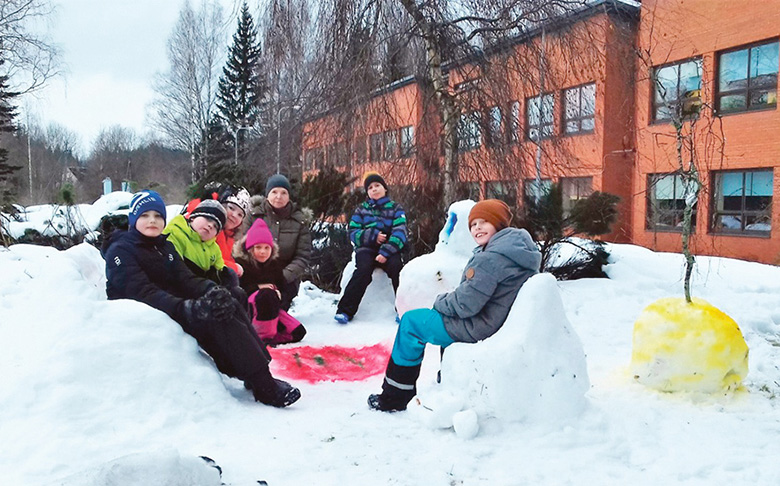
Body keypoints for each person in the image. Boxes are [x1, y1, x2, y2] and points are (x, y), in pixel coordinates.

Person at [103, 190, 300, 408]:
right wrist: (188, 308)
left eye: (158, 216)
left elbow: (185, 278)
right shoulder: (121, 250)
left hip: (170, 304)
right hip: (144, 313)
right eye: (145, 215)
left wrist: (213, 290)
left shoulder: (163, 246)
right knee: (217, 316)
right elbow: (142, 292)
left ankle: (258, 375)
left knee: (227, 302)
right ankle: (263, 384)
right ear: (133, 218)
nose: (152, 221)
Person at [367, 199, 541, 412]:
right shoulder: (517, 252)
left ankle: (395, 397)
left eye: (484, 222)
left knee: (411, 323)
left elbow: (466, 305)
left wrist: (439, 302)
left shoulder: (491, 258)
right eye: (473, 224)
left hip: (479, 326)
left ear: (499, 224)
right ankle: (448, 380)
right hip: (493, 321)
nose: (477, 228)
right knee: (439, 319)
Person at [334, 172, 407, 324]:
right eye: (370, 187)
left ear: (385, 188)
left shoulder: (396, 208)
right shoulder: (361, 210)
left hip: (389, 248)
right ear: (367, 192)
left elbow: (400, 232)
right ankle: (345, 311)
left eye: (377, 185)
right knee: (363, 270)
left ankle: (404, 310)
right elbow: (353, 232)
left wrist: (386, 252)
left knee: (397, 268)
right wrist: (373, 236)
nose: (374, 189)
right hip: (366, 249)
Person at [235, 218, 307, 345]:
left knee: (298, 332)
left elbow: (284, 289)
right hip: (249, 310)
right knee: (266, 294)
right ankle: (263, 337)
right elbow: (237, 291)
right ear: (250, 249)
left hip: (273, 310)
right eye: (258, 247)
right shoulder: (241, 265)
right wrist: (258, 287)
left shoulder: (275, 266)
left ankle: (264, 335)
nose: (262, 251)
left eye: (266, 248)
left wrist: (280, 295)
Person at [249, 174, 312, 311]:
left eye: (284, 193)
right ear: (267, 194)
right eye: (274, 192)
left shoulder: (299, 221)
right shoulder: (253, 216)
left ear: (289, 196)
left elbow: (303, 256)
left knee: (276, 311)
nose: (279, 196)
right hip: (255, 273)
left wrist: (282, 277)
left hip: (286, 278)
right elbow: (242, 248)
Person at [162, 199, 230, 285]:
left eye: (215, 226)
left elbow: (220, 267)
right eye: (208, 219)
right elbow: (174, 267)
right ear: (193, 218)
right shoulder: (175, 232)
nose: (210, 225)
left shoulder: (214, 249)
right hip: (176, 282)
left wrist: (226, 276)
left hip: (200, 286)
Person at [216, 185, 252, 278]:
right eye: (231, 208)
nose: (234, 215)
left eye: (240, 215)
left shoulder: (230, 236)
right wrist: (235, 268)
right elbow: (209, 259)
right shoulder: (209, 226)